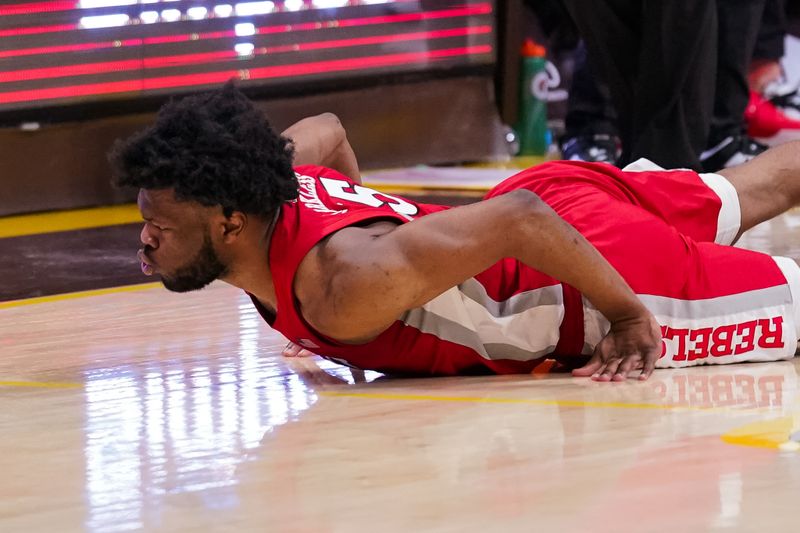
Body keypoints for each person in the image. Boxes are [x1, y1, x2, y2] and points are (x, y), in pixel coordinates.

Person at [110, 83, 800, 382]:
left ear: (231, 223)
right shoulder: (270, 175)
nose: (144, 239)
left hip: (580, 276)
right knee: (760, 183)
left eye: (159, 226)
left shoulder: (344, 288)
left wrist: (625, 314)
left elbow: (521, 225)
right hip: (558, 198)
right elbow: (329, 129)